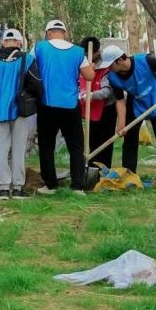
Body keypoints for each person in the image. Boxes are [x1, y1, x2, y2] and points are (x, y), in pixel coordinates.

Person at [33, 20, 95, 195]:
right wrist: (92, 68)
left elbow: (29, 68)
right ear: (64, 33)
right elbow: (89, 76)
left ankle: (50, 185)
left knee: (46, 146)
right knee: (75, 146)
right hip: (70, 105)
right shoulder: (77, 51)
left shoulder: (39, 48)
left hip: (47, 103)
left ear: (49, 33)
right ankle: (77, 186)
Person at [100, 46, 156, 184]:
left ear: (119, 60)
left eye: (110, 65)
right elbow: (120, 100)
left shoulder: (145, 60)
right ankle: (129, 175)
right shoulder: (113, 77)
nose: (109, 69)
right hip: (135, 107)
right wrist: (122, 124)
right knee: (129, 141)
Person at [0, 29, 41, 199]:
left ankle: (3, 187)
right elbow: (37, 84)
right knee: (19, 150)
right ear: (19, 43)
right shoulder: (27, 59)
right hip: (20, 110)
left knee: (1, 150)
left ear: (3, 42)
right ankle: (18, 187)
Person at [77, 37, 116, 169]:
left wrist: (93, 95)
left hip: (107, 108)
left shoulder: (106, 65)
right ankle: (92, 169)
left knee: (105, 141)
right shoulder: (82, 62)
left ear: (96, 52)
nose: (86, 57)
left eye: (89, 54)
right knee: (92, 139)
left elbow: (108, 90)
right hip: (91, 108)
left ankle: (104, 170)